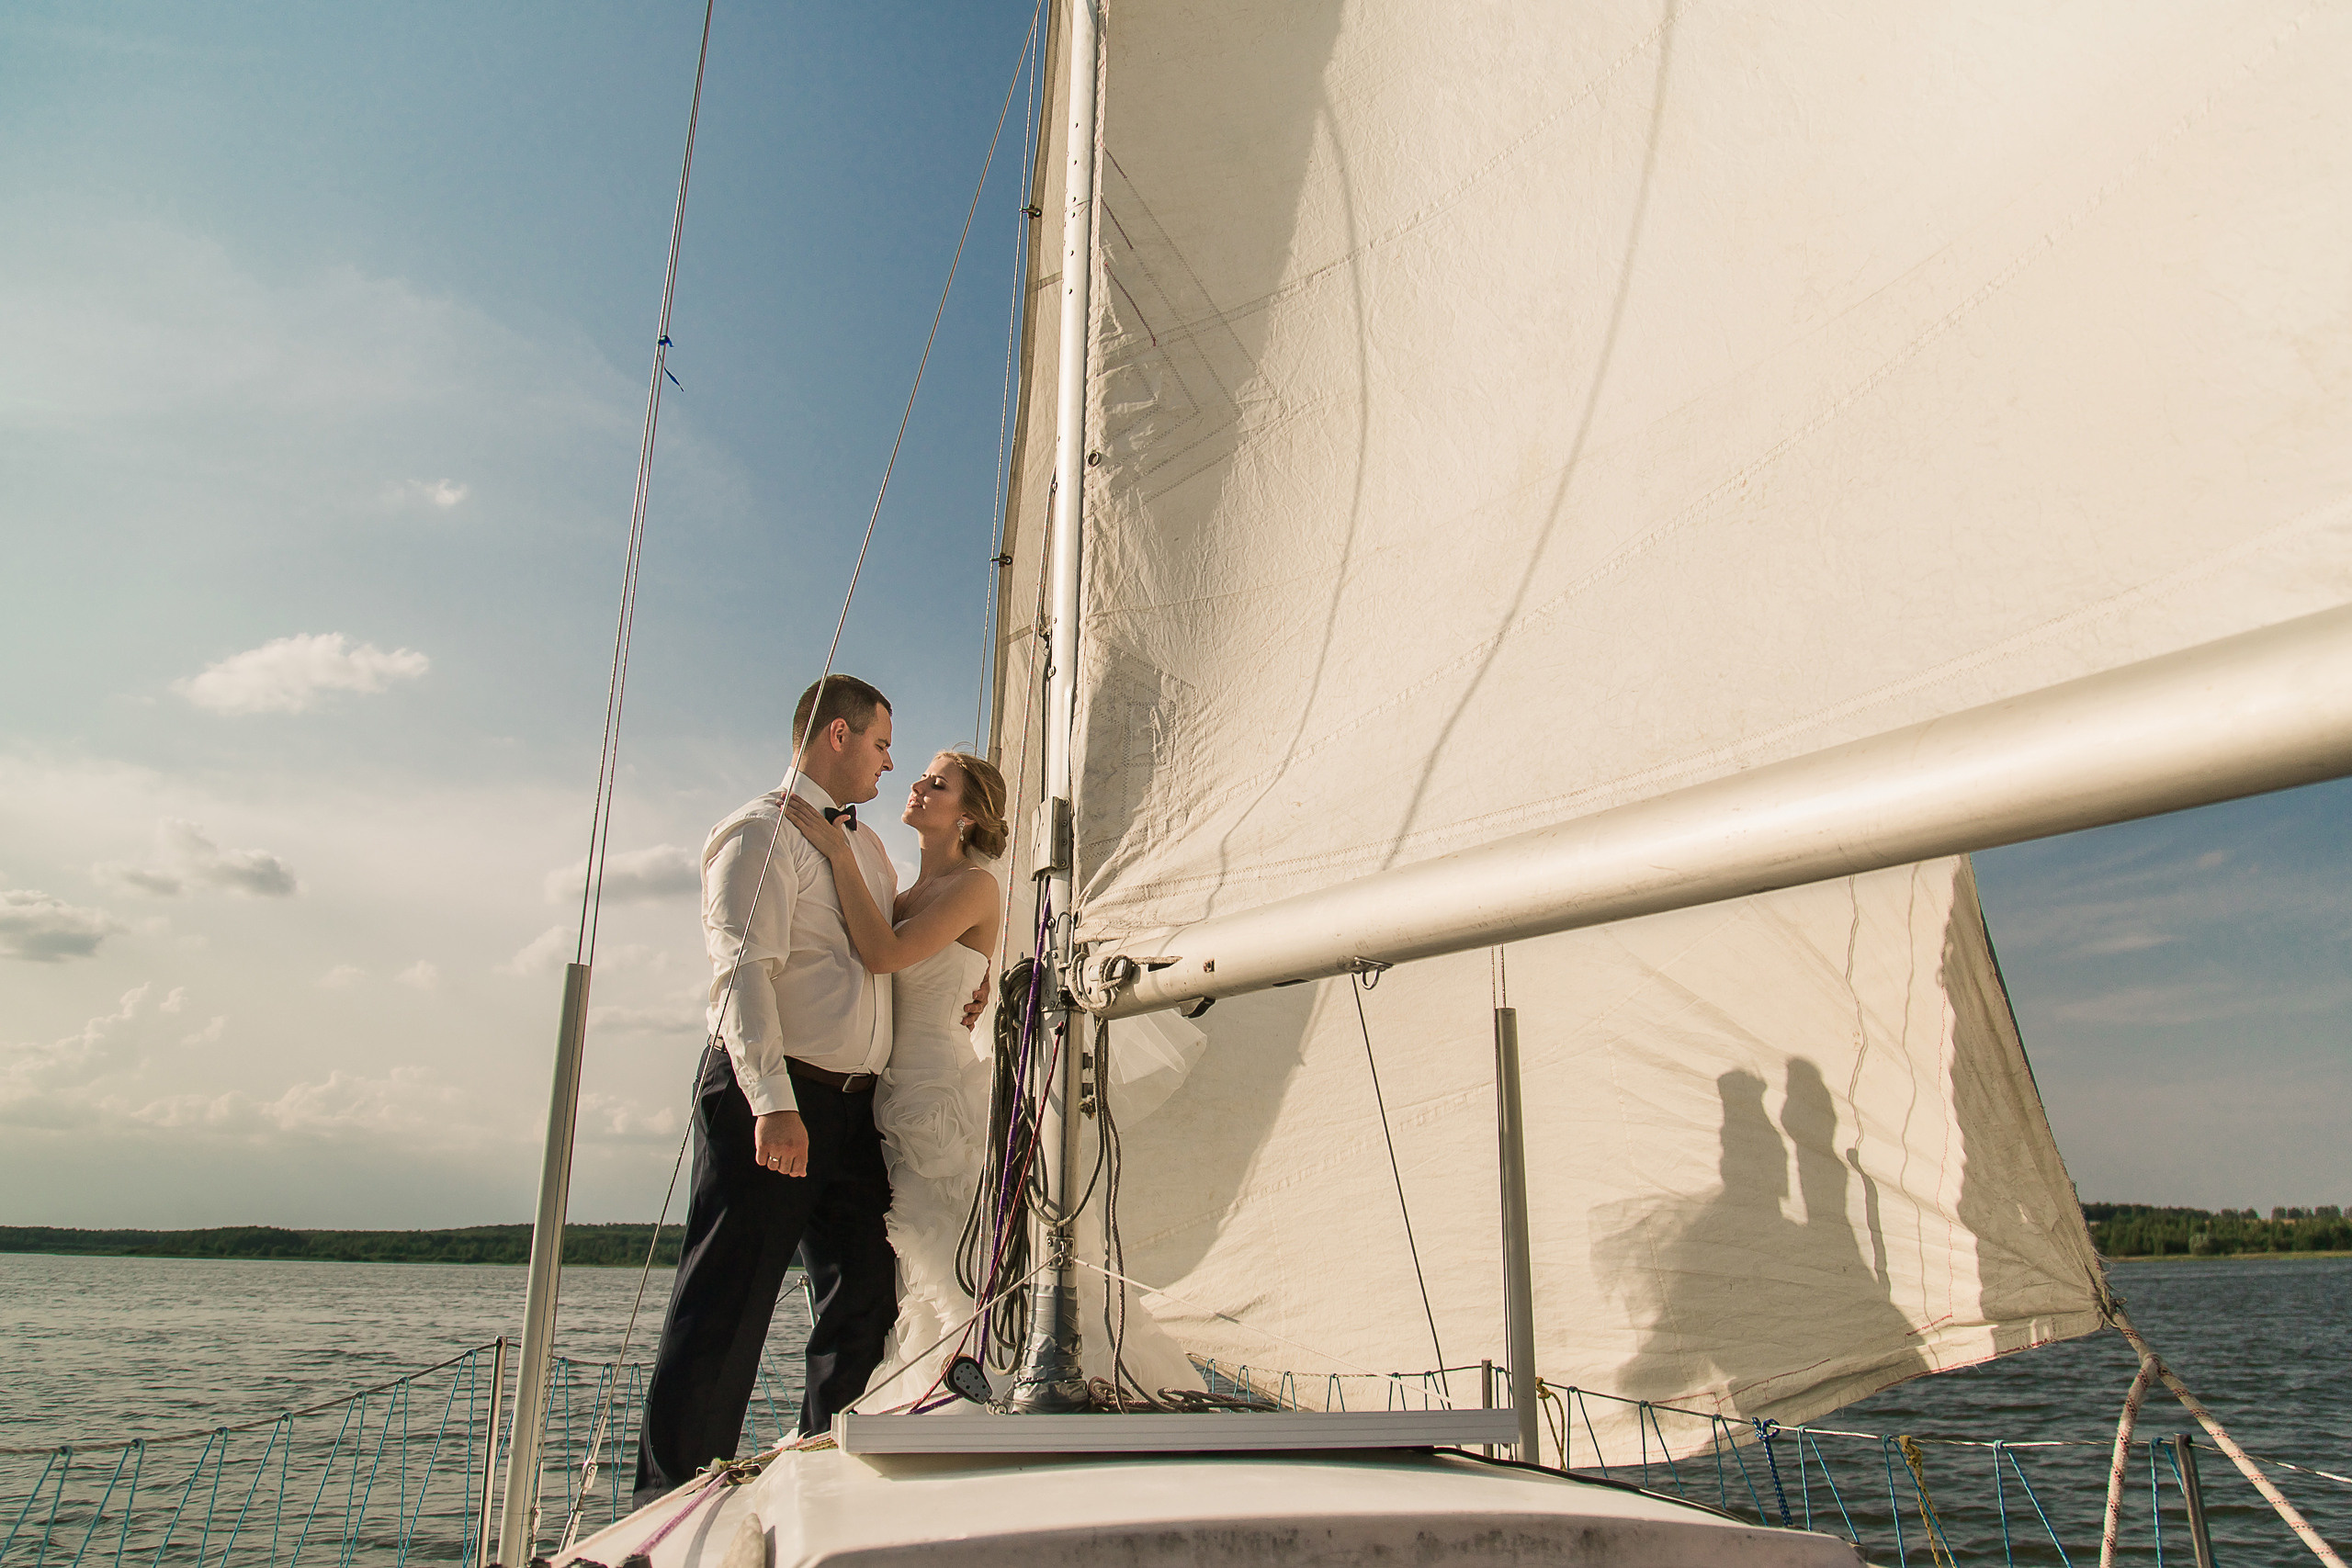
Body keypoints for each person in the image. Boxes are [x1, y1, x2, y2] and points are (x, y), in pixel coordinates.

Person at [633, 675, 903, 1507]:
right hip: (776, 1096)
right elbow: (743, 973)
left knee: (866, 1289)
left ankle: (829, 1471)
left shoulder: (869, 848)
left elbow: (882, 952)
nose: (889, 763)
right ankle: (671, 1501)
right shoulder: (757, 832)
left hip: (857, 1107)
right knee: (730, 1295)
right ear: (836, 735)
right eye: (881, 743)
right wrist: (773, 1102)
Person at [781, 750, 1006, 1411]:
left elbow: (883, 953)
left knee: (942, 1261)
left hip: (933, 1097)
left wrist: (836, 851)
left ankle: (970, 1400)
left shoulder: (977, 886)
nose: (915, 784)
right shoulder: (903, 894)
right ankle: (892, 1405)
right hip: (881, 1098)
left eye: (937, 783)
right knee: (890, 1275)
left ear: (966, 817)